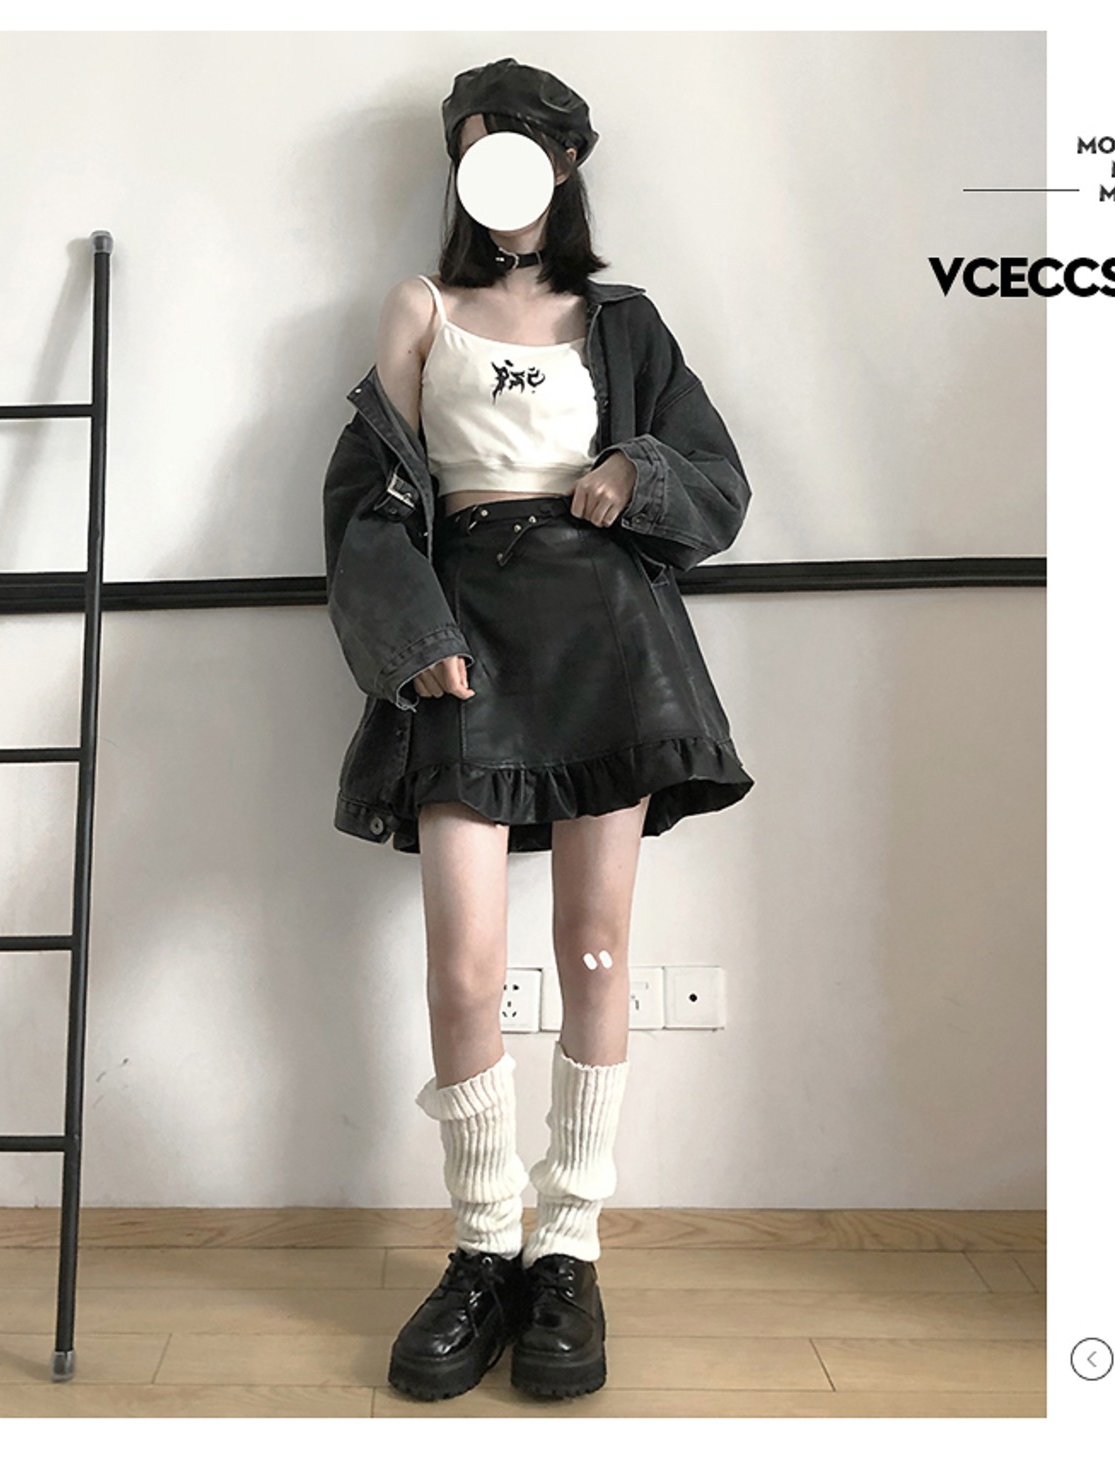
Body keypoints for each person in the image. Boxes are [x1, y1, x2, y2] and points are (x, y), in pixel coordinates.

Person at [323, 58, 754, 1402]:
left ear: (565, 164)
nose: (495, 167)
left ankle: (567, 1245)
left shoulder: (621, 322)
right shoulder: (420, 306)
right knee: (463, 970)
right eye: (472, 147)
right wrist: (414, 635)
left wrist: (638, 467)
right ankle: (483, 1247)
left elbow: (720, 478)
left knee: (596, 946)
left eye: (516, 145)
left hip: (607, 635)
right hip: (469, 637)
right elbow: (367, 498)